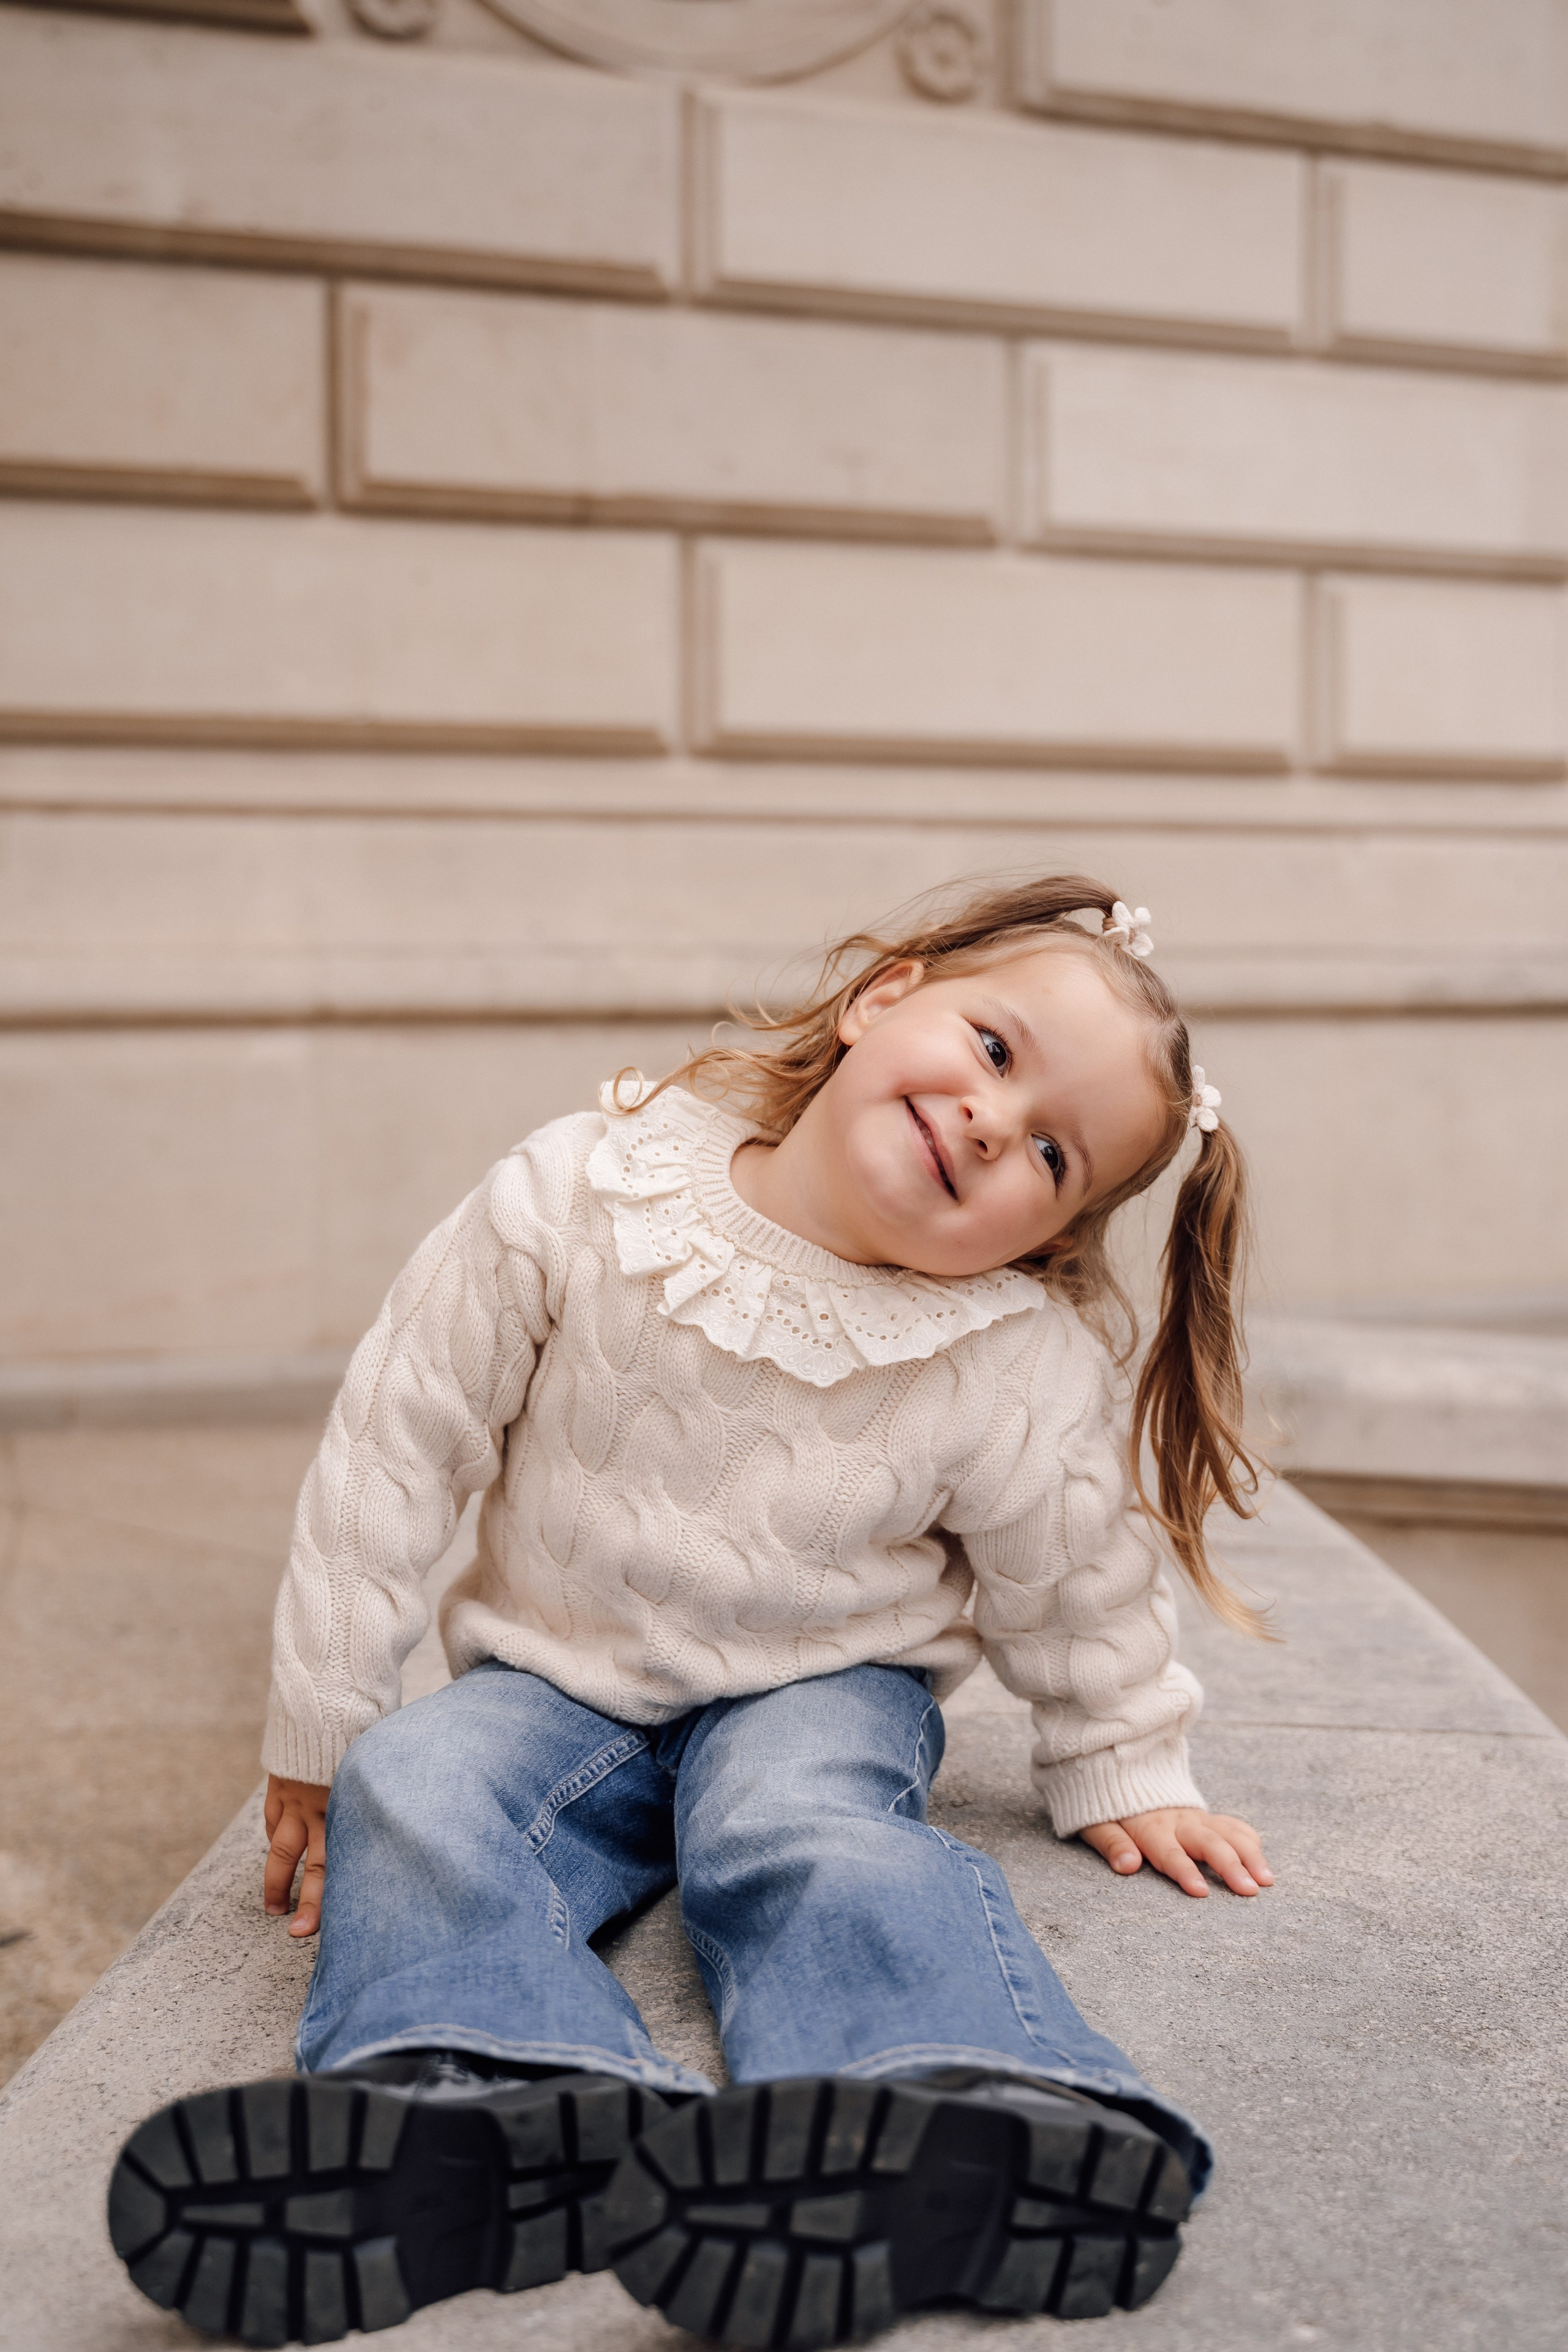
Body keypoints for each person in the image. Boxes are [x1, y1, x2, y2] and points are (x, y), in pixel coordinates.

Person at [107, 874, 1273, 2350]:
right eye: (991, 1048)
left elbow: (1074, 1574)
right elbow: (400, 1437)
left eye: (1053, 1151)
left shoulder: (1002, 1352)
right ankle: (489, 2103)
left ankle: (945, 2105)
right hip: (556, 1677)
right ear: (880, 998)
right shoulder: (583, 1192)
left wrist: (1122, 1759)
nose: (994, 1121)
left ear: (1050, 1231)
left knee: (803, 1827)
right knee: (418, 1779)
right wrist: (327, 1712)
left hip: (821, 1685)